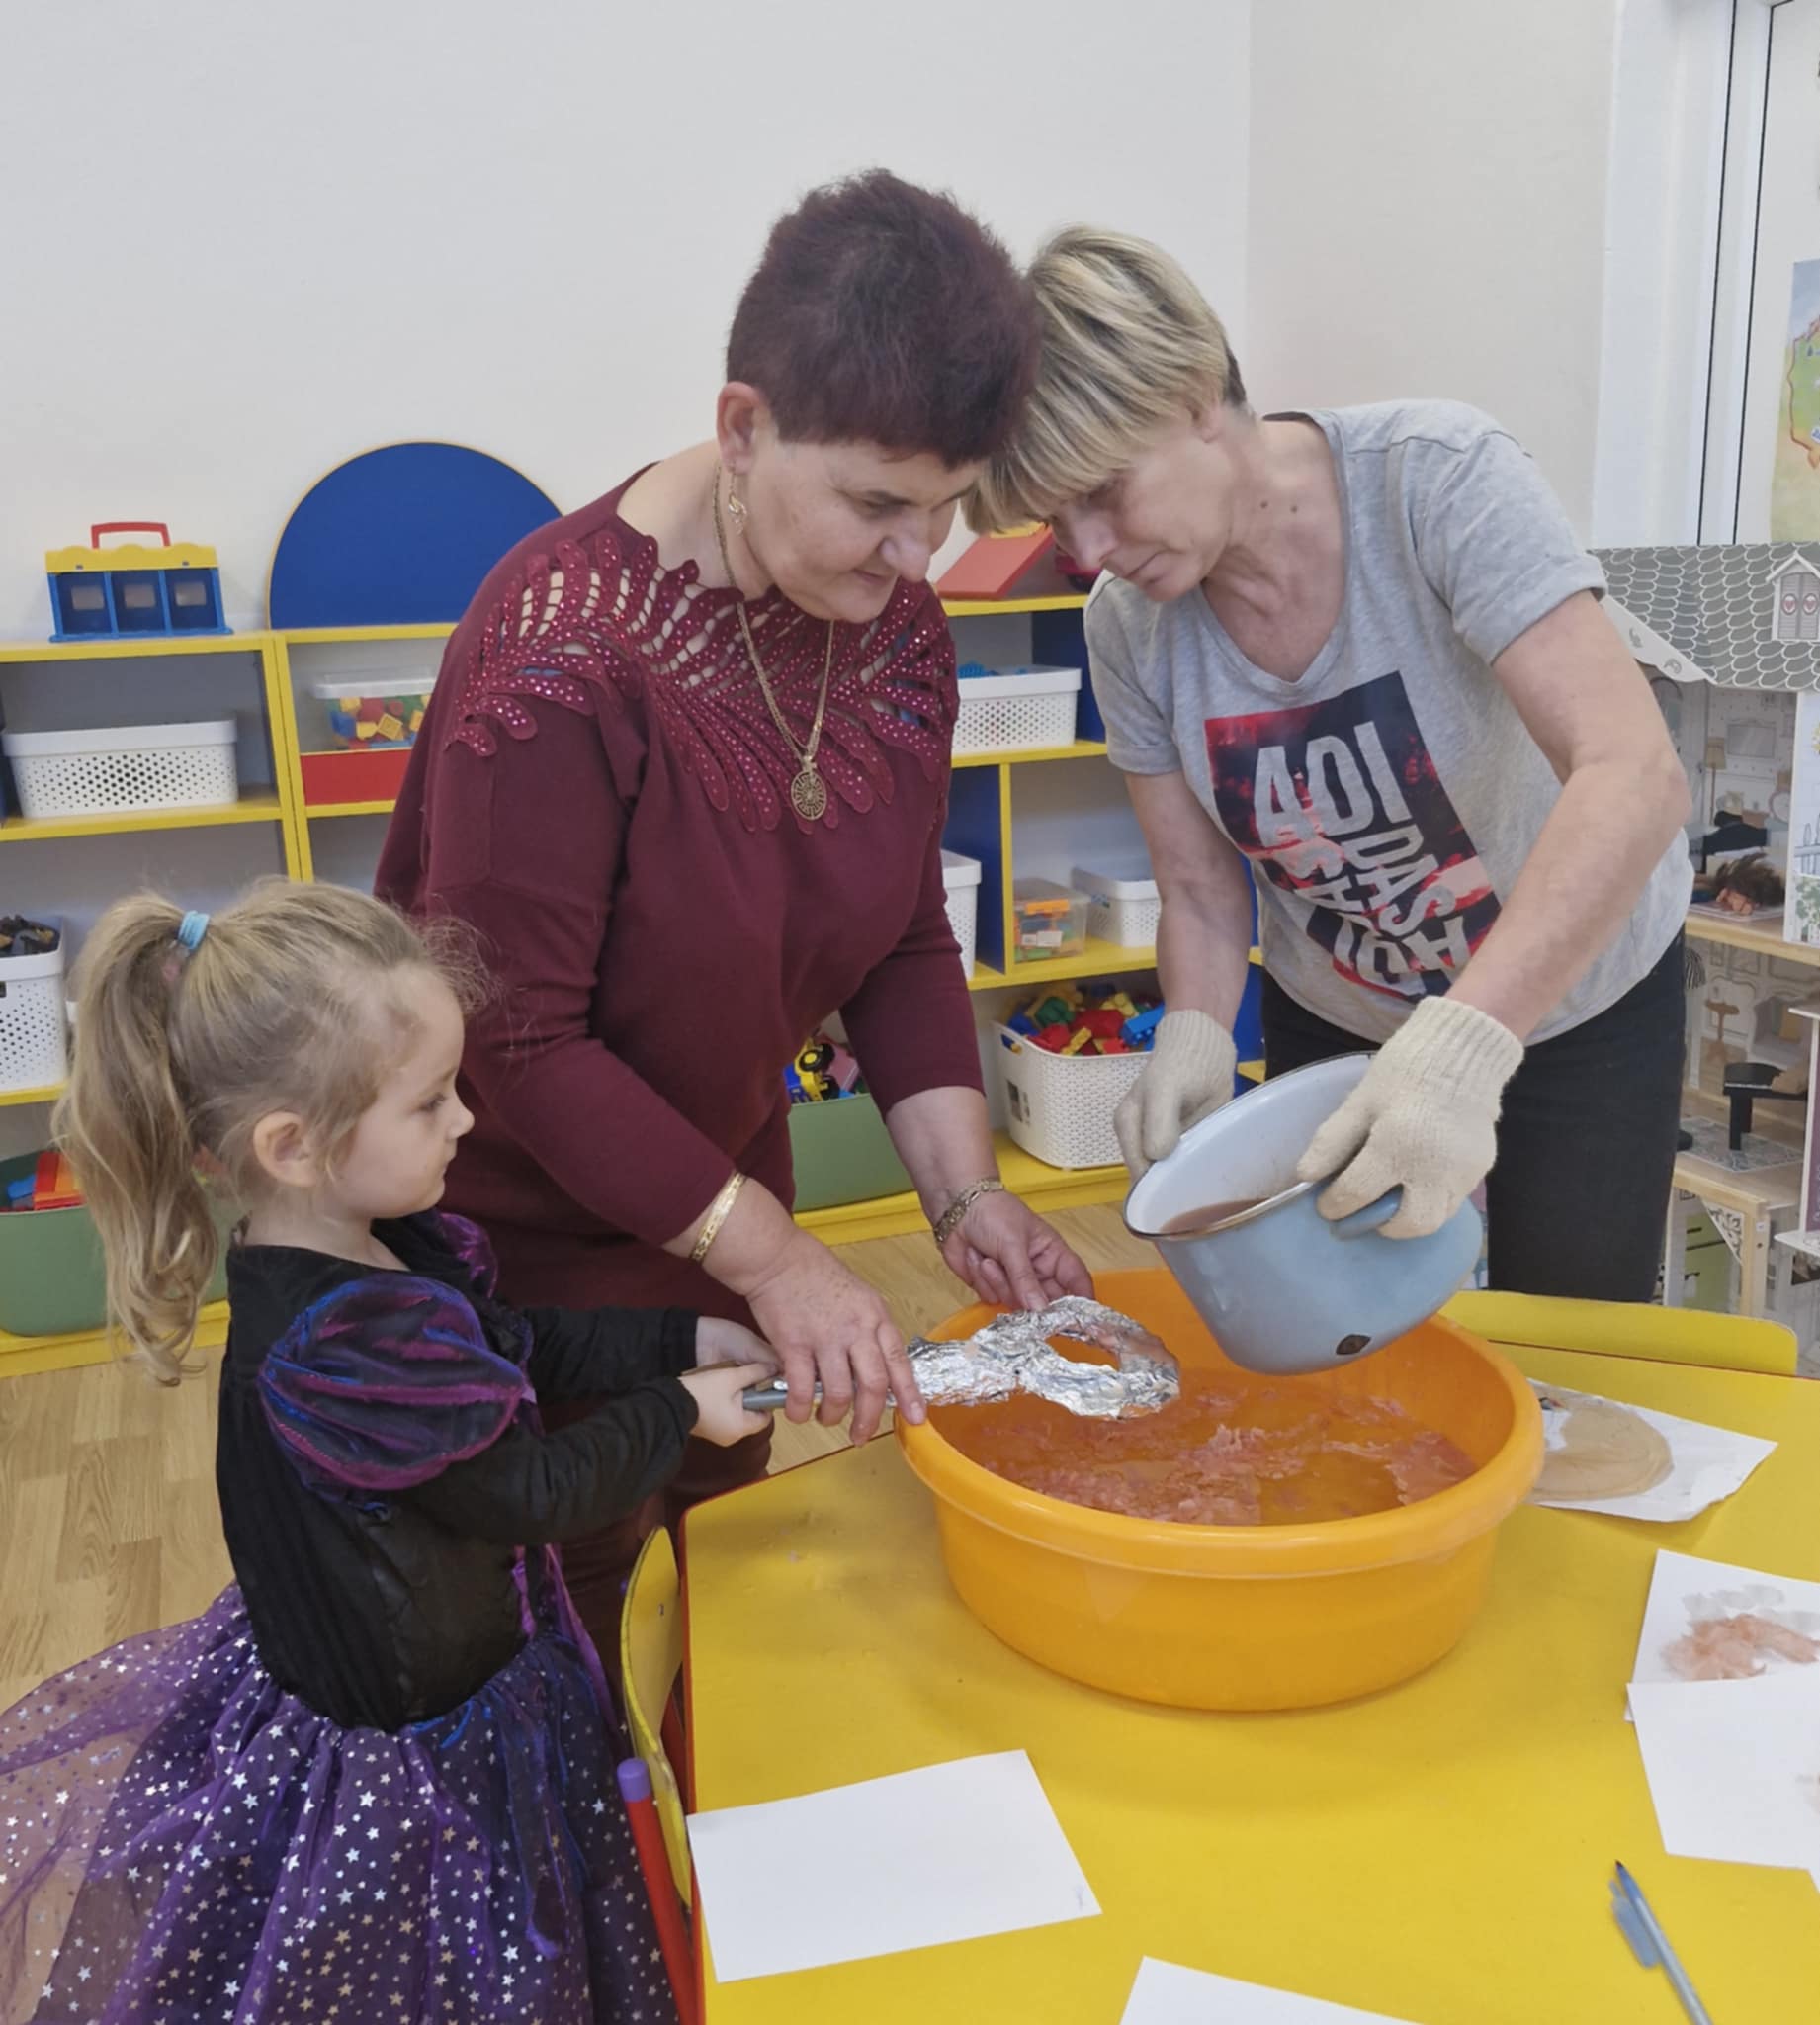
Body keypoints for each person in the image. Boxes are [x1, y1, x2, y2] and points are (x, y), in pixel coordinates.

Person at [377, 169, 1091, 1637]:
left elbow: (898, 930)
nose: (916, 559)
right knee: (569, 1629)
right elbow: (519, 1040)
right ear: (744, 426)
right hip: (528, 1248)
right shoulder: (559, 652)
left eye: (946, 510)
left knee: (712, 1588)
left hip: (717, 1200)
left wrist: (965, 1196)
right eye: (877, 504)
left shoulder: (892, 626)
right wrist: (776, 1256)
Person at [0, 882, 779, 2023]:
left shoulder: (372, 1243)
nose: (464, 1118)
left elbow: (511, 1343)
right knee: (452, 1975)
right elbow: (534, 1490)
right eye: (428, 1101)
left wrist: (675, 1337)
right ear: (293, 1145)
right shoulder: (341, 1342)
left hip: (464, 1671)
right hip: (420, 1768)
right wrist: (677, 1410)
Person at [969, 228, 1693, 1299]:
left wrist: (1463, 1046)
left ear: (1192, 396)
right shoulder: (1127, 625)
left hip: (1574, 1003)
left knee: (1568, 1338)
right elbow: (1197, 888)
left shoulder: (1434, 479)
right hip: (1342, 1015)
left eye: (1104, 491)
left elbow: (1630, 774)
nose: (1083, 550)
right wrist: (1194, 1033)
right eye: (1052, 517)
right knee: (1343, 1330)